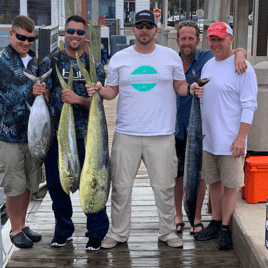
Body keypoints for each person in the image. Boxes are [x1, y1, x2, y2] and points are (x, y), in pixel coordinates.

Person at [87, 10, 204, 249]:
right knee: (120, 188)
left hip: (161, 134)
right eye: (139, 25)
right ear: (133, 29)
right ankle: (118, 233)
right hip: (126, 134)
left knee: (164, 188)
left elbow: (179, 85)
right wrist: (99, 89)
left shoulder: (170, 56)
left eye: (148, 26)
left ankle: (167, 232)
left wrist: (190, 89)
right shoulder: (120, 58)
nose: (144, 30)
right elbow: (112, 92)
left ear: (155, 29)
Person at [33, 15, 109, 251]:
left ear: (85, 36)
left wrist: (78, 99)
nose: (74, 35)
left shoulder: (94, 65)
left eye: (79, 32)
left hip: (89, 134)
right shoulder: (49, 61)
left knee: (95, 181)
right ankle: (63, 230)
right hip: (59, 135)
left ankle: (95, 232)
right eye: (70, 31)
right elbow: (44, 97)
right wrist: (39, 92)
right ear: (64, 34)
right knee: (57, 185)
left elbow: (97, 104)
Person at [174, 20, 248, 234]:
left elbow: (230, 50)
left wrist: (240, 54)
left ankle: (196, 218)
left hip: (201, 132)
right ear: (177, 41)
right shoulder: (170, 60)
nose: (186, 42)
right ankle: (179, 216)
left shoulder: (207, 58)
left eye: (191, 38)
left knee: (202, 175)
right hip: (176, 127)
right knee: (178, 175)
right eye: (183, 38)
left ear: (198, 40)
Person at [194, 21, 257, 250]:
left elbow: (249, 105)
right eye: (212, 38)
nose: (215, 43)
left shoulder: (243, 67)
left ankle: (225, 227)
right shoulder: (208, 65)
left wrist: (241, 137)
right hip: (208, 140)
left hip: (232, 141)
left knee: (231, 186)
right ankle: (216, 221)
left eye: (220, 38)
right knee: (214, 183)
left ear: (230, 39)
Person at [0, 15, 42, 248]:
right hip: (9, 134)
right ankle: (15, 229)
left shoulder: (35, 63)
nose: (25, 42)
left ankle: (23, 224)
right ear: (11, 34)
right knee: (14, 183)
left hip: (33, 134)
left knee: (28, 181)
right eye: (21, 37)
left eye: (30, 38)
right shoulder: (1, 60)